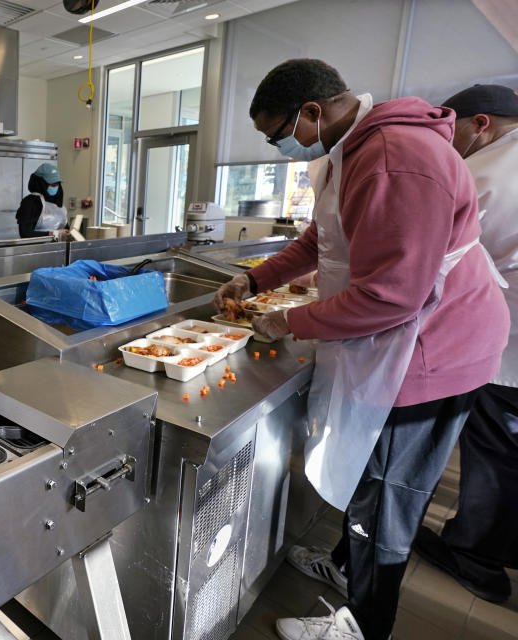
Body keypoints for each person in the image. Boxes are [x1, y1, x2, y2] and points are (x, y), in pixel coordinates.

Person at [213, 59, 508, 640]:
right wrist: (254, 281)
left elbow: (392, 297)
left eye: (278, 134)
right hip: (402, 334)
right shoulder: (355, 147)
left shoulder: (396, 159)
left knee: (387, 496)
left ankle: (363, 627)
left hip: (432, 349)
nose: (280, 147)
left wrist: (286, 323)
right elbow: (320, 238)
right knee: (370, 480)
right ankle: (348, 570)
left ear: (312, 112)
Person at [411, 84, 518, 604]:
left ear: (480, 123)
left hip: (503, 346)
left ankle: (477, 559)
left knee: (495, 454)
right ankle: (494, 546)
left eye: (450, 134)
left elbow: (442, 263)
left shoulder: (487, 173)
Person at [17, 162, 69, 239]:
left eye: (57, 184)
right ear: (41, 183)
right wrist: (51, 234)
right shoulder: (31, 202)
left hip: (58, 248)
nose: (55, 187)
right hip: (37, 249)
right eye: (52, 184)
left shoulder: (58, 203)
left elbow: (65, 227)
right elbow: (25, 233)